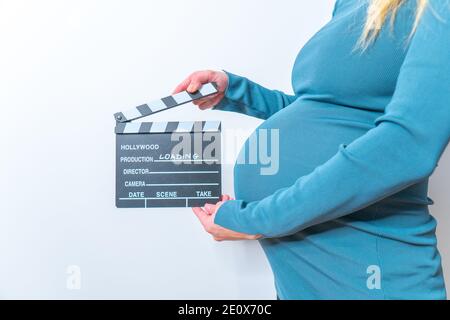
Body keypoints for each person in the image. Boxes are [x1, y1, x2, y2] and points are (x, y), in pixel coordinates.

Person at [173, 0, 450, 299]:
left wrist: (258, 220)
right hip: (300, 266)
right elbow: (332, 109)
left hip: (365, 268)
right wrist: (238, 92)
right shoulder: (352, 3)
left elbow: (408, 144)